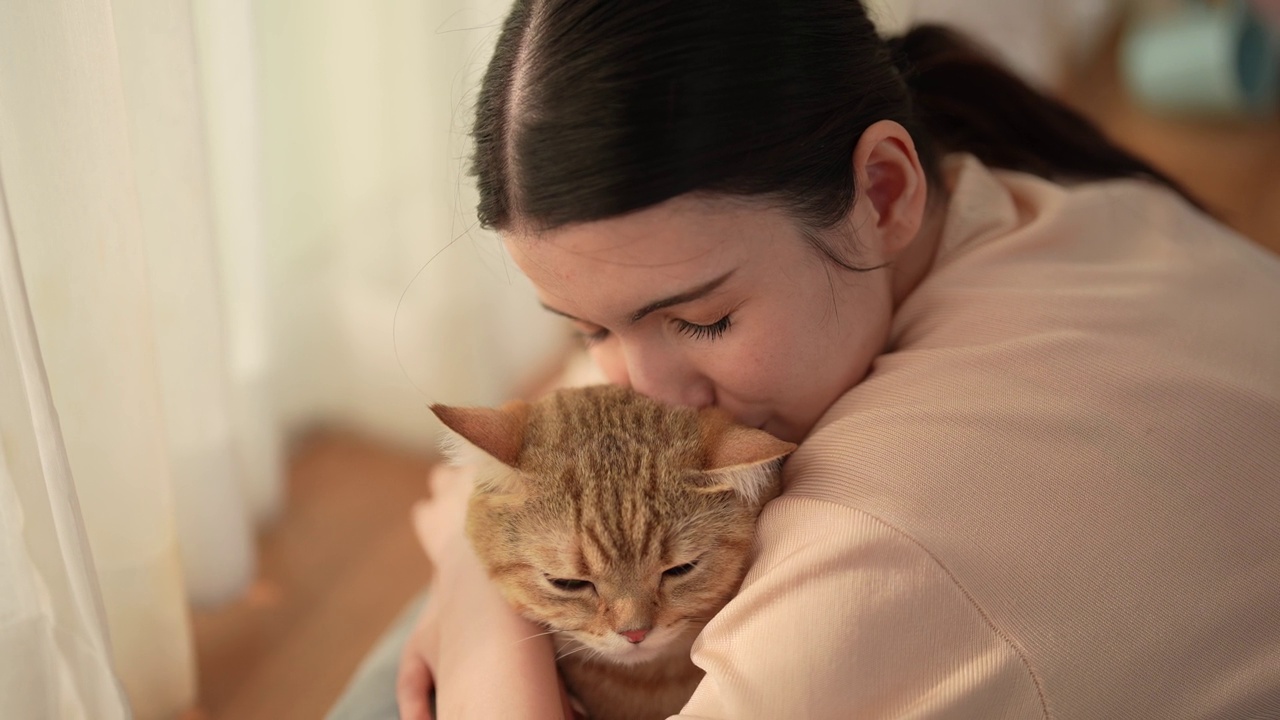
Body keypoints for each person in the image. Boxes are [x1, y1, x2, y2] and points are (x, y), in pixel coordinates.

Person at [394, 2, 1280, 718]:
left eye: (700, 318)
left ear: (883, 190)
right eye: (588, 329)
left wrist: (470, 578)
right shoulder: (1012, 177)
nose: (643, 392)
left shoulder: (879, 535)